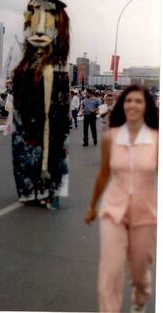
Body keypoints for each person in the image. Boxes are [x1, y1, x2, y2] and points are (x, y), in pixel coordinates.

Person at [85, 84, 159, 313]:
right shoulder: (111, 138)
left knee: (139, 273)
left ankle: (140, 300)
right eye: (128, 100)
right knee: (110, 271)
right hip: (113, 211)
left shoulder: (157, 139)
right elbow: (104, 173)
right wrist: (92, 206)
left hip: (145, 213)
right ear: (122, 105)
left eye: (138, 101)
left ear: (146, 107)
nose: (133, 105)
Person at [12, 0, 70, 210]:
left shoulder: (58, 68)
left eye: (48, 19)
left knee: (52, 148)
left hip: (50, 124)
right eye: (35, 16)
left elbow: (60, 108)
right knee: (24, 151)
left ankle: (49, 191)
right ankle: (30, 192)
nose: (39, 29)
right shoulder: (24, 66)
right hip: (25, 124)